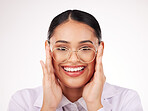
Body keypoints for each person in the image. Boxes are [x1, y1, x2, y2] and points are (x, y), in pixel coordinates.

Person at [8, 10, 143, 111]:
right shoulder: (22, 102)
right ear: (48, 49)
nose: (73, 59)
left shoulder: (126, 100)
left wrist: (95, 105)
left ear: (99, 49)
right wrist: (48, 107)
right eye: (62, 48)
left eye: (85, 48)